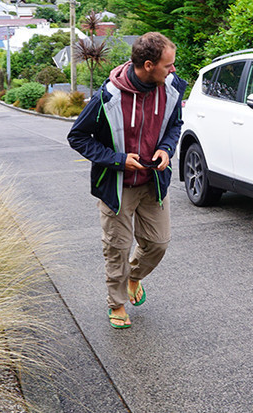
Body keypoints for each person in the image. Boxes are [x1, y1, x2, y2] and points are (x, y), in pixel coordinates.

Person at [68, 32, 185, 330]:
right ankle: (117, 303)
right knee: (117, 247)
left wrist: (166, 148)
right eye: (168, 65)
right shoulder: (108, 96)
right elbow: (78, 137)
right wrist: (119, 160)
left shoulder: (171, 88)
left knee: (158, 243)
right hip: (117, 187)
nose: (173, 70)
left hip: (153, 181)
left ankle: (134, 277)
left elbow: (175, 125)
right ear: (148, 65)